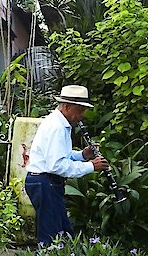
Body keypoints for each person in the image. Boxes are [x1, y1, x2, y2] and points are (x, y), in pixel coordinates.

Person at [25, 85, 110, 245]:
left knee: (63, 232)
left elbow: (59, 155)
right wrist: (91, 166)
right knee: (51, 236)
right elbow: (56, 165)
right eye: (79, 110)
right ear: (67, 106)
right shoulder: (57, 127)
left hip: (46, 182)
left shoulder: (60, 124)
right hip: (45, 181)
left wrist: (82, 155)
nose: (81, 115)